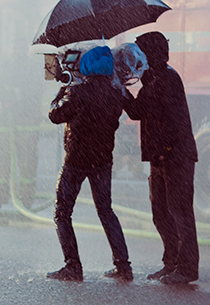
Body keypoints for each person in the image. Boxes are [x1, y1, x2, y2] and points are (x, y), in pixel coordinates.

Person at [46, 46, 132, 282]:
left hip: (76, 160)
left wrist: (63, 89)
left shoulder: (79, 92)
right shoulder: (116, 93)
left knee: (62, 212)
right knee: (106, 211)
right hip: (103, 160)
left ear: (86, 67)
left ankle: (73, 266)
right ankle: (123, 266)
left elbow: (54, 115)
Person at [123, 31, 200, 285]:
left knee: (179, 212)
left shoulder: (166, 80)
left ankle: (187, 268)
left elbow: (141, 109)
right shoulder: (156, 79)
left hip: (175, 157)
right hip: (161, 158)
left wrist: (120, 88)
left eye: (141, 54)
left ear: (152, 55)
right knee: (161, 214)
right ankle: (172, 263)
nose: (138, 60)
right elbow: (137, 111)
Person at [0, 40, 44, 209]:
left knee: (27, 163)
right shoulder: (3, 66)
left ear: (25, 48)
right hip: (4, 122)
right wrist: (6, 95)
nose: (15, 49)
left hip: (27, 123)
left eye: (18, 46)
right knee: (0, 162)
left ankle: (26, 200)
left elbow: (36, 89)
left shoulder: (33, 68)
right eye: (13, 46)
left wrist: (14, 95)